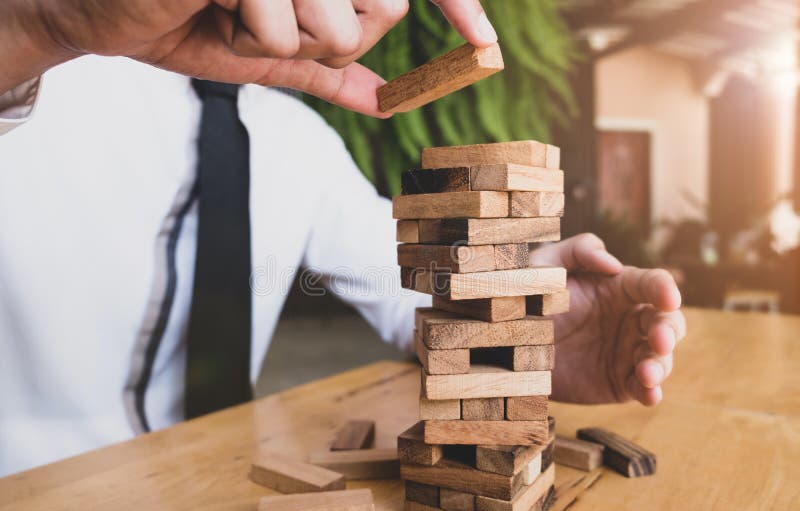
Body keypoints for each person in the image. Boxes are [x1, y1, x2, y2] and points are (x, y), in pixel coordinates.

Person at [0, 0, 685, 477]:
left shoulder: (296, 137)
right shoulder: (30, 71)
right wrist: (43, 26)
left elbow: (404, 288)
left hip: (206, 492)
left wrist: (516, 322)